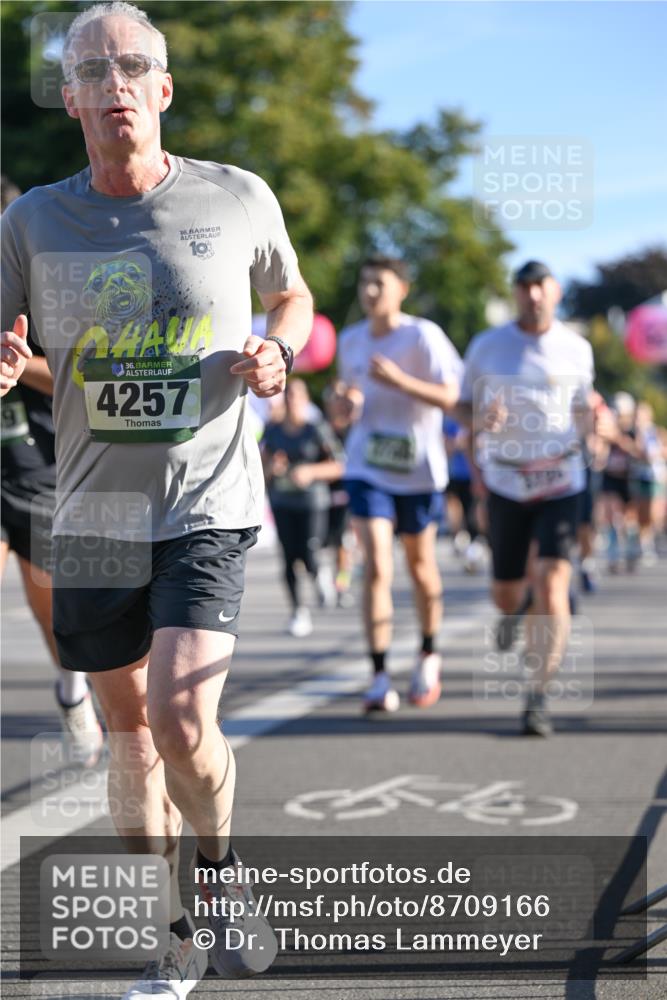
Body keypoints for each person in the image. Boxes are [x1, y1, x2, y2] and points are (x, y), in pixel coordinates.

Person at [1, 4, 313, 998]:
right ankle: (177, 931)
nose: (116, 84)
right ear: (71, 98)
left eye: (134, 66)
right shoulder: (32, 220)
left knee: (181, 719)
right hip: (93, 513)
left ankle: (217, 873)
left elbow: (292, 295)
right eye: (94, 70)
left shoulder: (235, 196)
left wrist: (279, 348)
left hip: (204, 500)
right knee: (132, 744)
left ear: (163, 89)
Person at [458, 260, 595, 737]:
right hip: (506, 481)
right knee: (506, 593)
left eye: (541, 286)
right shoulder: (487, 345)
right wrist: (480, 423)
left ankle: (538, 696)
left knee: (555, 582)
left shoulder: (576, 348)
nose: (533, 295)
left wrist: (594, 426)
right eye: (524, 287)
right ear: (515, 293)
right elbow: (462, 408)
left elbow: (584, 411)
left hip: (561, 479)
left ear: (555, 292)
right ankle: (518, 607)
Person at [1, 175, 103, 765]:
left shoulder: (49, 292)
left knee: (53, 613)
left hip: (41, 472)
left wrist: (18, 367)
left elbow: (83, 378)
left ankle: (72, 691)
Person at [337, 255, 461, 713]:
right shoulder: (350, 339)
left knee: (421, 568)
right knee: (376, 567)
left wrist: (401, 381)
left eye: (380, 283)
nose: (370, 291)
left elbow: (451, 397)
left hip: (419, 470)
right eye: (364, 283)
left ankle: (428, 652)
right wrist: (342, 405)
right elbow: (342, 408)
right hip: (367, 467)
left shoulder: (423, 335)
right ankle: (378, 675)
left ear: (401, 289)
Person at [261, 377, 343, 637]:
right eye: (288, 395)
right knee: (288, 557)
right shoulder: (272, 430)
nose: (292, 400)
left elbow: (339, 466)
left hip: (312, 501)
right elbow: (260, 467)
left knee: (308, 552)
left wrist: (310, 472)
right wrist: (272, 468)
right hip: (282, 501)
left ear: (306, 400)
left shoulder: (315, 430)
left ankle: (319, 573)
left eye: (297, 395)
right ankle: (298, 611)